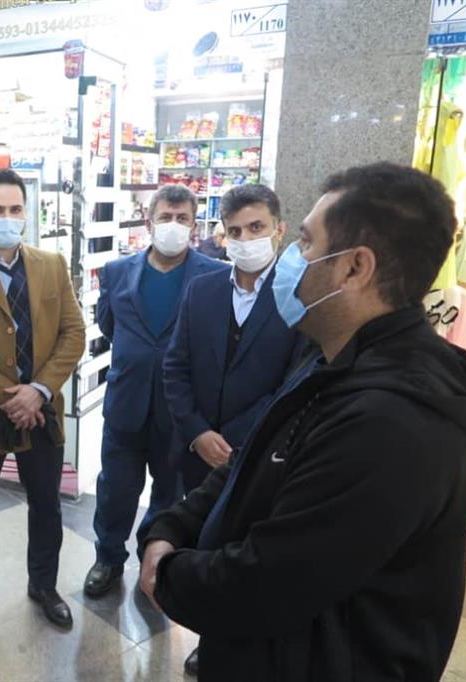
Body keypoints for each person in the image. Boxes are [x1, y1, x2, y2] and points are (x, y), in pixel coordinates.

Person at [139, 163, 466, 680]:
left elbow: (270, 582)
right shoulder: (332, 360)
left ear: (354, 267)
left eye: (304, 242)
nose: (291, 259)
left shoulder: (390, 425)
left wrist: (167, 574)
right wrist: (173, 525)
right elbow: (256, 461)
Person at [158, 184, 303, 676]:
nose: (245, 240)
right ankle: (204, 629)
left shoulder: (299, 295)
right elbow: (175, 367)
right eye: (235, 231)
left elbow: (293, 382)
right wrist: (198, 432)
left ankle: (230, 637)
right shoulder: (202, 290)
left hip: (260, 452)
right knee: (203, 538)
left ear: (280, 229)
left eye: (256, 228)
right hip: (196, 450)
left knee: (244, 550)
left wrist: (237, 439)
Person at [84, 184, 226, 598]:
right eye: (165, 217)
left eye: (182, 218)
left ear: (195, 225)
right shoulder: (116, 272)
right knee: (115, 490)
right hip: (126, 403)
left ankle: (154, 559)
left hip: (181, 411)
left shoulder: (215, 275)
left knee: (169, 493)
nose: (173, 225)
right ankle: (108, 558)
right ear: (149, 222)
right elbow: (109, 325)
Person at [0, 169, 85, 628]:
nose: (7, 218)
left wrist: (39, 390)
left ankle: (44, 585)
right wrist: (8, 396)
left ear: (26, 213)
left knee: (46, 505)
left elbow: (73, 333)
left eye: (15, 209)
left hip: (42, 411)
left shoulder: (51, 264)